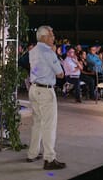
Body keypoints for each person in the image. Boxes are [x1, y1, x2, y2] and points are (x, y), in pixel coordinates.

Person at [26, 25, 66, 170]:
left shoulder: (33, 50)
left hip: (34, 88)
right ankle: (49, 158)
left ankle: (32, 153)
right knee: (49, 125)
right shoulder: (48, 52)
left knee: (37, 123)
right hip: (45, 91)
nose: (54, 38)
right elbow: (60, 74)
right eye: (51, 35)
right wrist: (55, 54)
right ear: (44, 37)